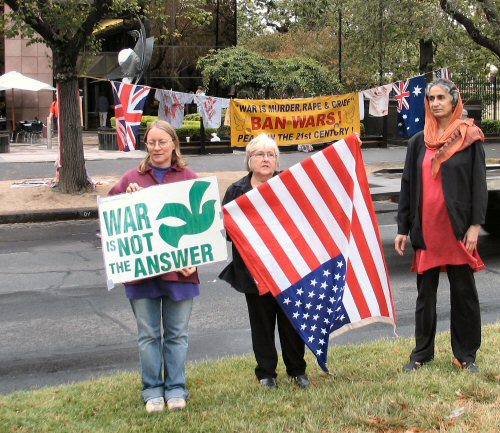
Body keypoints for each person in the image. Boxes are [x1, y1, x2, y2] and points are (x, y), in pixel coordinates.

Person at [395, 78, 487, 373]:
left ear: (453, 101)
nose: (435, 103)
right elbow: (408, 185)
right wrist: (402, 227)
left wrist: (475, 226)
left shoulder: (469, 137)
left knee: (464, 294)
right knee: (425, 297)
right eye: (431, 98)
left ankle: (466, 355)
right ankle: (421, 353)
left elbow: (478, 186)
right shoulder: (417, 142)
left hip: (457, 230)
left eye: (440, 98)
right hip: (427, 229)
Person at [108, 120, 199, 413]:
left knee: (177, 334)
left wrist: (193, 260)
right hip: (142, 275)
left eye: (162, 142)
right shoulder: (130, 179)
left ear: (174, 144)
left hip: (180, 274)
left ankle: (176, 388)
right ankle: (152, 391)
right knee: (148, 335)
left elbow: (203, 228)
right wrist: (126, 200)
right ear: (145, 146)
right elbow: (110, 223)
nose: (157, 148)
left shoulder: (189, 178)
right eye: (151, 142)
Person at [219, 133, 310, 389]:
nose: (266, 159)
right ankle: (266, 373)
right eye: (260, 154)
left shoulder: (287, 185)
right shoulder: (236, 191)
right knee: (262, 324)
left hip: (287, 271)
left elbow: (303, 222)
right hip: (253, 272)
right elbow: (229, 233)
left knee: (291, 323)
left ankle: (297, 370)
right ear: (249, 160)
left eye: (271, 155)